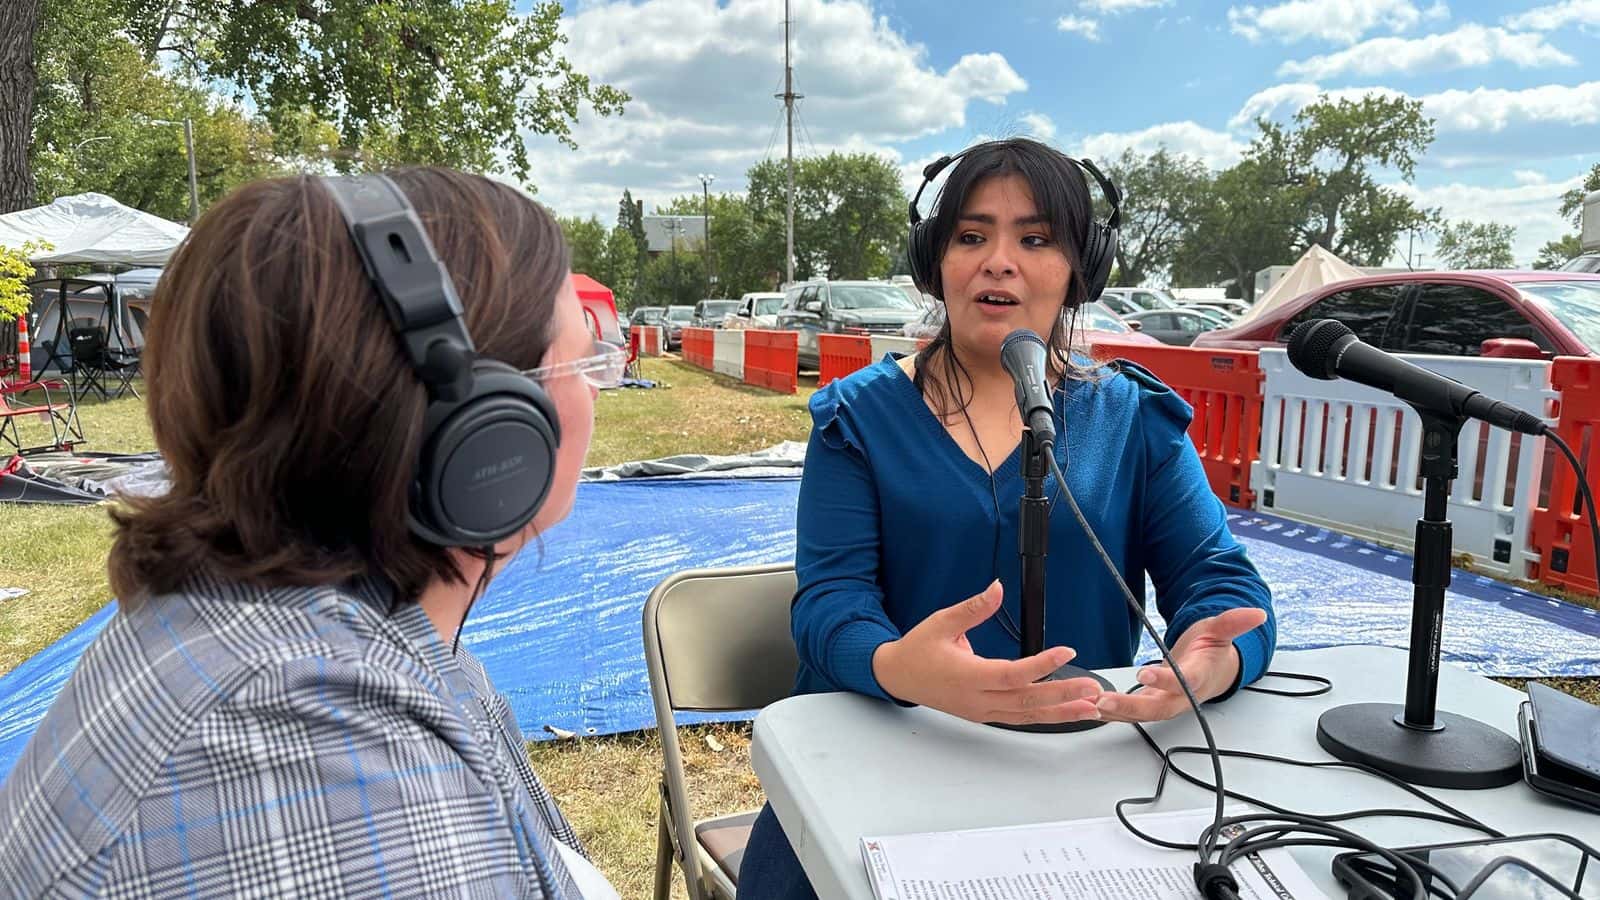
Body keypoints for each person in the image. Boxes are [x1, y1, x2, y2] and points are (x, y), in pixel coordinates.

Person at [0, 168, 627, 898]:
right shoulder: (326, 769)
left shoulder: (306, 638)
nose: (593, 391)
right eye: (585, 358)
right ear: (486, 433)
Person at [738, 138, 1276, 898]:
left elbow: (1221, 587)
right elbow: (831, 605)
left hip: (1087, 790)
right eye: (970, 236)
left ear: (1080, 269)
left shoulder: (1135, 420)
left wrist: (1212, 663)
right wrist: (901, 668)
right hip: (874, 770)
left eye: (1034, 238)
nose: (999, 261)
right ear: (936, 262)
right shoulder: (854, 420)